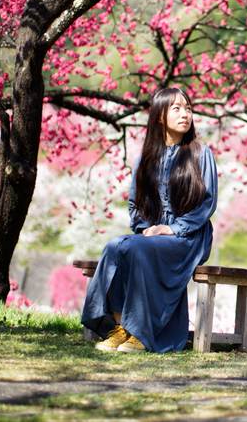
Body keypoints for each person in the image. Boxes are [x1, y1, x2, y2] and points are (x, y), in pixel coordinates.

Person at [81, 87, 217, 352]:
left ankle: (141, 335)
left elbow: (207, 203)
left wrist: (172, 229)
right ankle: (121, 329)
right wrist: (146, 229)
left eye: (187, 108)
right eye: (176, 108)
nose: (185, 114)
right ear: (159, 116)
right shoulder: (146, 158)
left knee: (135, 249)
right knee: (115, 246)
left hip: (189, 237)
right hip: (154, 236)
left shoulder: (201, 153)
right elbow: (136, 203)